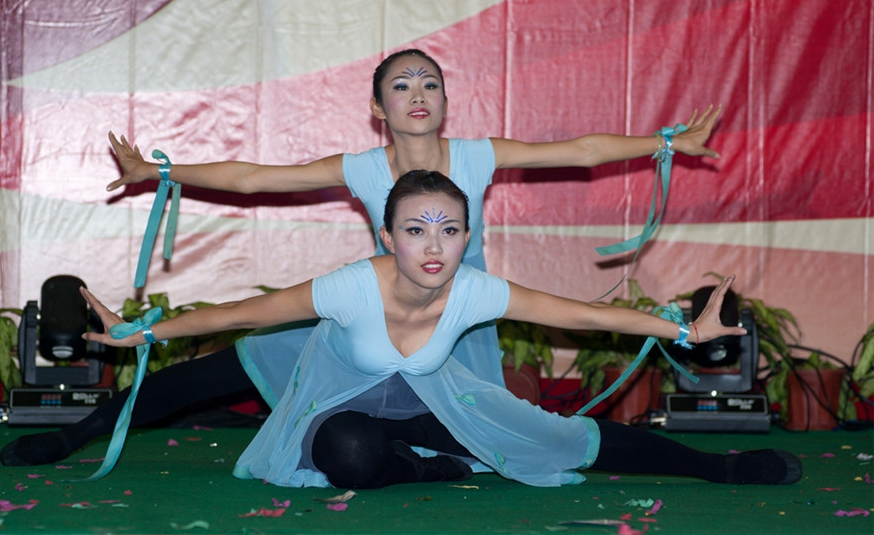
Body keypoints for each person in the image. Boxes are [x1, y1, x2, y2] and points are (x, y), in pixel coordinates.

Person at [1, 49, 723, 467]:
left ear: (446, 102)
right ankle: (81, 433)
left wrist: (664, 143)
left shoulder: (477, 155)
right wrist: (162, 172)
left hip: (455, 327)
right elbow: (254, 178)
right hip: (373, 318)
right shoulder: (362, 167)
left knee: (487, 441)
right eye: (401, 86)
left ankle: (404, 460)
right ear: (379, 108)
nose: (418, 94)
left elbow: (580, 151)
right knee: (222, 366)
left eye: (430, 83)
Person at [79, 171, 800, 489]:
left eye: (450, 230)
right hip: (341, 402)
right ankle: (430, 469)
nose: (434, 245)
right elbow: (240, 315)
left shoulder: (475, 290)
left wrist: (682, 332)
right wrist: (143, 333)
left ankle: (719, 467)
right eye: (416, 229)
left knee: (559, 442)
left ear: (466, 239)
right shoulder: (351, 286)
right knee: (349, 454)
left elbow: (580, 314)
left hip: (431, 401)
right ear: (388, 237)